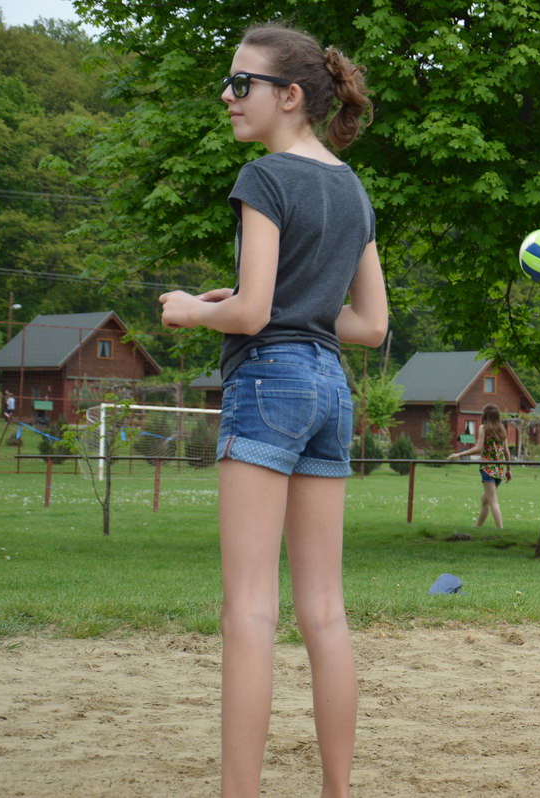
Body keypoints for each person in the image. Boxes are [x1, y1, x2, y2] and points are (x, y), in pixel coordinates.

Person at [158, 22, 387, 798]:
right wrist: (275, 304)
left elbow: (253, 314)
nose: (227, 97)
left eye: (240, 83)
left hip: (268, 383)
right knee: (324, 611)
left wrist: (195, 309)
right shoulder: (353, 188)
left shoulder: (263, 178)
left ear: (289, 97)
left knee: (250, 613)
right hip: (330, 391)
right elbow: (370, 325)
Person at [447, 403, 512, 529]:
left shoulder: (483, 428)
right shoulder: (502, 429)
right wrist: (508, 470)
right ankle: (478, 526)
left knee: (493, 501)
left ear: (485, 415)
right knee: (485, 500)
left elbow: (478, 448)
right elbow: (507, 452)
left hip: (487, 469)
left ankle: (500, 529)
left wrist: (459, 454)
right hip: (499, 470)